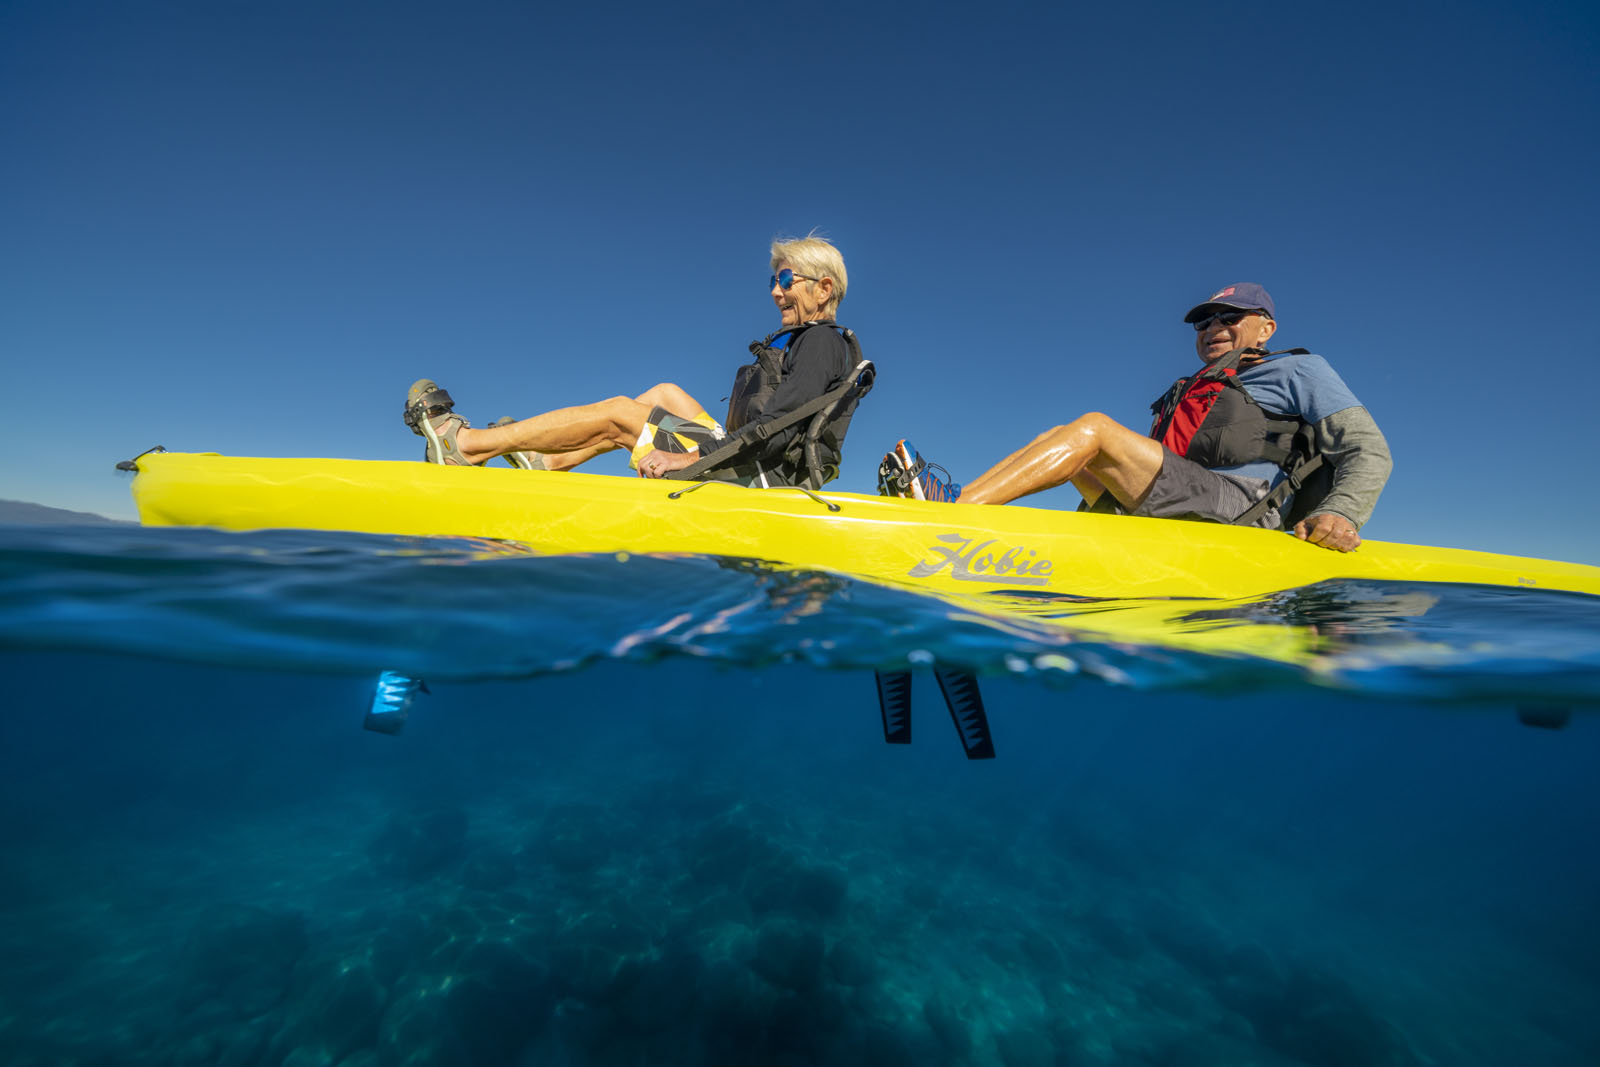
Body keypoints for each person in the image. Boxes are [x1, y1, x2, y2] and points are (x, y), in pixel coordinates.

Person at [882, 283, 1391, 553]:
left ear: (1265, 328)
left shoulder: (1299, 369)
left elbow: (1369, 449)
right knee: (1057, 437)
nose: (1213, 327)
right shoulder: (1186, 390)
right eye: (1204, 322)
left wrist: (1342, 514)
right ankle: (964, 507)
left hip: (1244, 511)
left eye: (1228, 319)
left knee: (1095, 429)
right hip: (1181, 508)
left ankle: (948, 515)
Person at [403, 235, 864, 488]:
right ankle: (546, 463)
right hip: (753, 459)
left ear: (824, 288)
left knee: (621, 414)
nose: (776, 291)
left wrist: (687, 459)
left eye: (786, 278)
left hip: (762, 478)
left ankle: (468, 447)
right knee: (665, 393)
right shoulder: (816, 341)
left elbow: (777, 428)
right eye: (773, 280)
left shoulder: (821, 340)